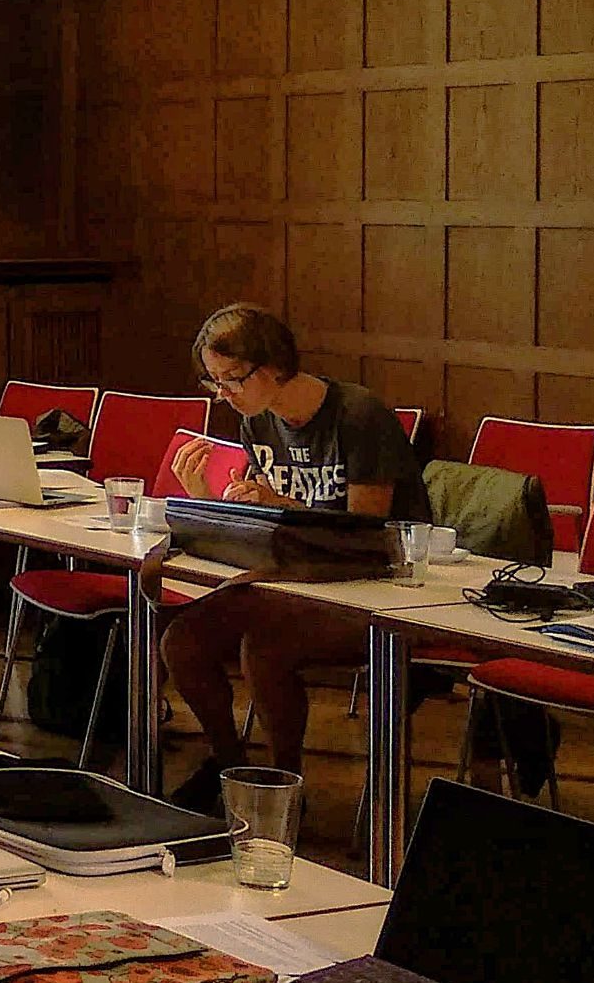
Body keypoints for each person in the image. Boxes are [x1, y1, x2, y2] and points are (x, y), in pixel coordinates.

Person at [162, 303, 429, 813]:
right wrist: (208, 501)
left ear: (273, 366)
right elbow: (264, 530)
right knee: (184, 640)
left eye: (233, 379)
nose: (224, 394)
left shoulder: (358, 415)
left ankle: (285, 785)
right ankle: (232, 770)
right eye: (214, 381)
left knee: (266, 647)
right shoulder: (257, 420)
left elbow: (365, 532)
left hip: (374, 586)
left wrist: (282, 504)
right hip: (295, 577)